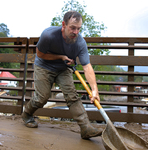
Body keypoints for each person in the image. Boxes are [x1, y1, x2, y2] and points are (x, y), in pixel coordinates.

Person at [22, 10, 103, 139]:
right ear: (63, 25)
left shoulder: (80, 42)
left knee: (72, 96)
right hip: (44, 66)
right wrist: (61, 56)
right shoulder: (48, 35)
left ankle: (86, 128)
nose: (76, 32)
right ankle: (26, 114)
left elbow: (87, 66)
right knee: (42, 97)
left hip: (64, 68)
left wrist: (94, 90)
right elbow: (40, 54)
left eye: (78, 29)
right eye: (72, 28)